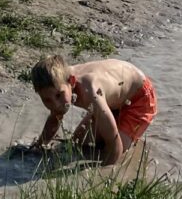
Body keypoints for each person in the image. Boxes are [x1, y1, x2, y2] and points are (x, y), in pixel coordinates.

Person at [29, 55, 157, 166]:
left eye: (58, 96)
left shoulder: (89, 91)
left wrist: (105, 172)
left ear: (72, 81)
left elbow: (114, 143)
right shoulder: (60, 81)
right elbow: (55, 118)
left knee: (116, 149)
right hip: (113, 98)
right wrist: (39, 146)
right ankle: (114, 116)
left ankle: (126, 132)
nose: (56, 104)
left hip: (139, 98)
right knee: (79, 143)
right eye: (47, 100)